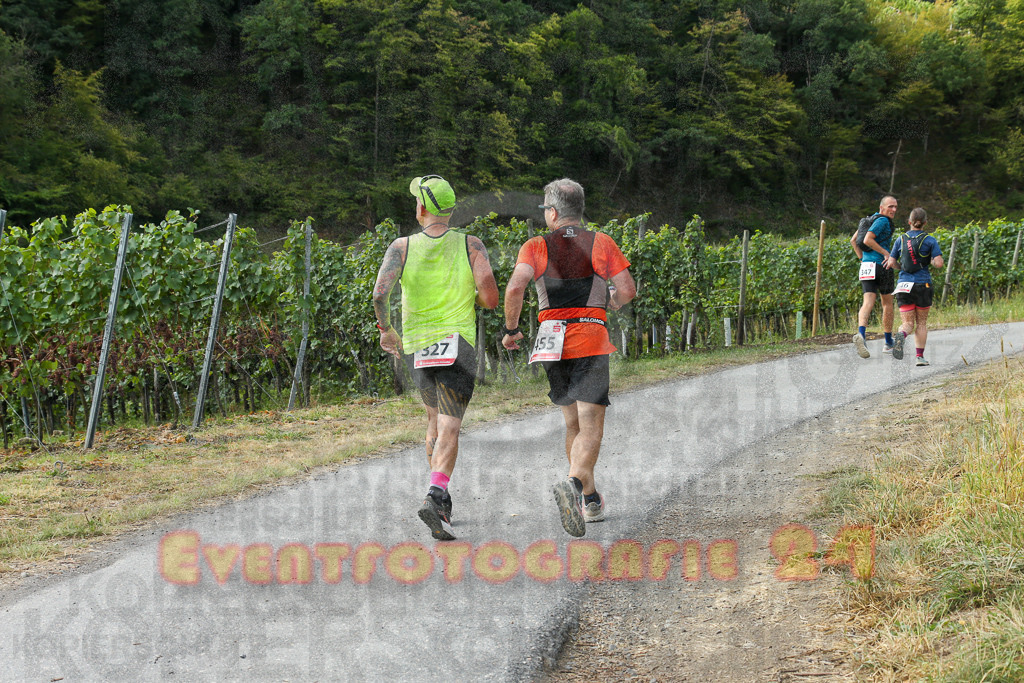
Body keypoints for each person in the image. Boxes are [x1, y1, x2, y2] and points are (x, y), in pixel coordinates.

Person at [501, 178, 636, 537]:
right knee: (591, 427)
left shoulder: (535, 246)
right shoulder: (601, 242)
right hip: (589, 337)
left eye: (545, 209)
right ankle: (574, 486)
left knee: (573, 425)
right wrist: (612, 302)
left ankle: (590, 499)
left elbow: (515, 287)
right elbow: (627, 289)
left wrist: (512, 330)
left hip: (551, 343)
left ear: (554, 212)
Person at [372, 175, 499, 540]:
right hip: (458, 344)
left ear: (421, 208)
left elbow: (380, 294)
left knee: (433, 422)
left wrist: (387, 330)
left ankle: (440, 499)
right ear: (450, 209)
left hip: (415, 346)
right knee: (450, 425)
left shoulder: (401, 247)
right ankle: (436, 493)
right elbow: (490, 298)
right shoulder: (471, 245)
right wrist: (470, 301)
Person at [884, 208, 944, 366]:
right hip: (922, 284)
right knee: (921, 323)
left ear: (909, 222)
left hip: (903, 285)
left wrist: (901, 266)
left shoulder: (900, 239)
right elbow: (938, 263)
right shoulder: (930, 240)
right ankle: (919, 357)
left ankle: (901, 336)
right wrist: (930, 260)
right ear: (925, 223)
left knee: (908, 324)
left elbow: (891, 263)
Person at [851, 196, 898, 358]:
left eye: (896, 207)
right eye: (890, 206)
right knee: (887, 304)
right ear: (882, 207)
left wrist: (862, 260)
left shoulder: (868, 220)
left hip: (866, 267)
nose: (893, 210)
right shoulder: (883, 221)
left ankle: (861, 335)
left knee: (868, 302)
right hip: (882, 266)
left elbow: (853, 241)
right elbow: (867, 239)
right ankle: (888, 342)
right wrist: (886, 253)